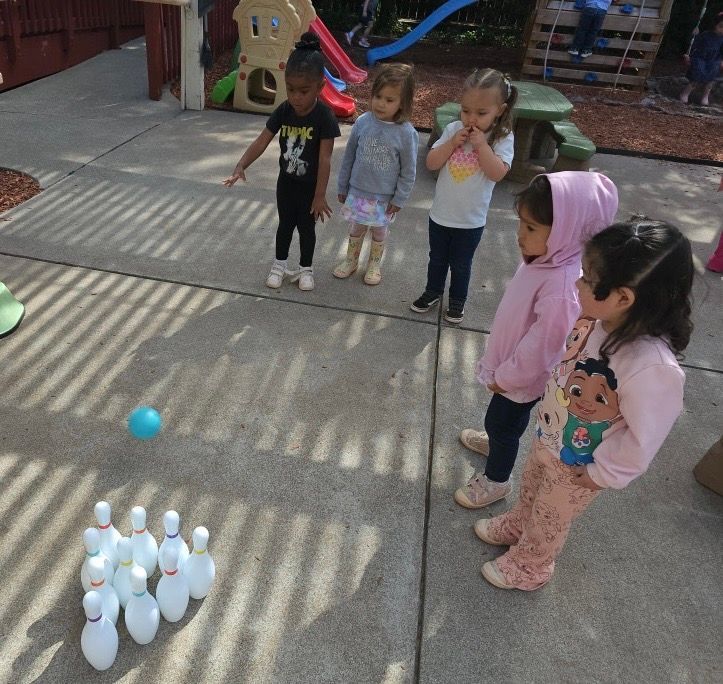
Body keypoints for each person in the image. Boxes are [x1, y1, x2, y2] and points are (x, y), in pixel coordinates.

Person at [474, 219, 694, 591]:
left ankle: (531, 565)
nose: (577, 283)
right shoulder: (597, 320)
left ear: (624, 297)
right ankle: (518, 525)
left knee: (552, 515)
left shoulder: (651, 367)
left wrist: (602, 473)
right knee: (532, 488)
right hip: (552, 437)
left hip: (582, 465)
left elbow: (644, 439)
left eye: (588, 279)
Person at [454, 172, 619, 509]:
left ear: (566, 232)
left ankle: (496, 479)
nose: (519, 234)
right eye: (521, 224)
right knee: (500, 422)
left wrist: (505, 376)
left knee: (504, 424)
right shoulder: (546, 258)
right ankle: (496, 443)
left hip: (521, 377)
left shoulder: (561, 286)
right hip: (511, 366)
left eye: (530, 228)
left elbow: (543, 349)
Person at [223, 32, 341, 292]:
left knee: (307, 229)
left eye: (303, 91)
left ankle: (306, 268)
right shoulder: (285, 110)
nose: (296, 96)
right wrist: (241, 164)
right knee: (286, 225)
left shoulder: (324, 117)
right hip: (286, 183)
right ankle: (279, 264)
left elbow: (325, 159)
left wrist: (320, 195)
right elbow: (262, 140)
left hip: (310, 187)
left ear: (320, 87)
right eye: (290, 89)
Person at [410, 68, 516, 324]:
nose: (471, 118)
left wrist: (481, 146)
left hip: (470, 221)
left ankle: (457, 301)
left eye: (481, 113)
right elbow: (432, 163)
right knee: (436, 259)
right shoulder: (453, 130)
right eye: (466, 110)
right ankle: (432, 291)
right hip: (441, 215)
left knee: (460, 265)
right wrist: (451, 143)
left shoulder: (502, 138)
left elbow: (497, 173)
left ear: (499, 110)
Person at [334, 64, 418, 285]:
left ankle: (374, 265)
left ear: (403, 103)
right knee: (356, 227)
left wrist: (400, 198)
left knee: (380, 231)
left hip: (385, 198)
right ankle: (351, 261)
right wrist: (342, 186)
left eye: (390, 100)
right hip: (358, 191)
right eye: (378, 96)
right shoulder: (363, 122)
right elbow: (349, 157)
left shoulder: (406, 133)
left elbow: (408, 171)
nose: (381, 103)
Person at [680, 12, 723, 107]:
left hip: (713, 59)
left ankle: (705, 96)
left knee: (713, 72)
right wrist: (688, 55)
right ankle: (685, 93)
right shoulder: (705, 35)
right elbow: (694, 46)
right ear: (715, 25)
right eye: (721, 26)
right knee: (698, 72)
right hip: (700, 58)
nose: (722, 30)